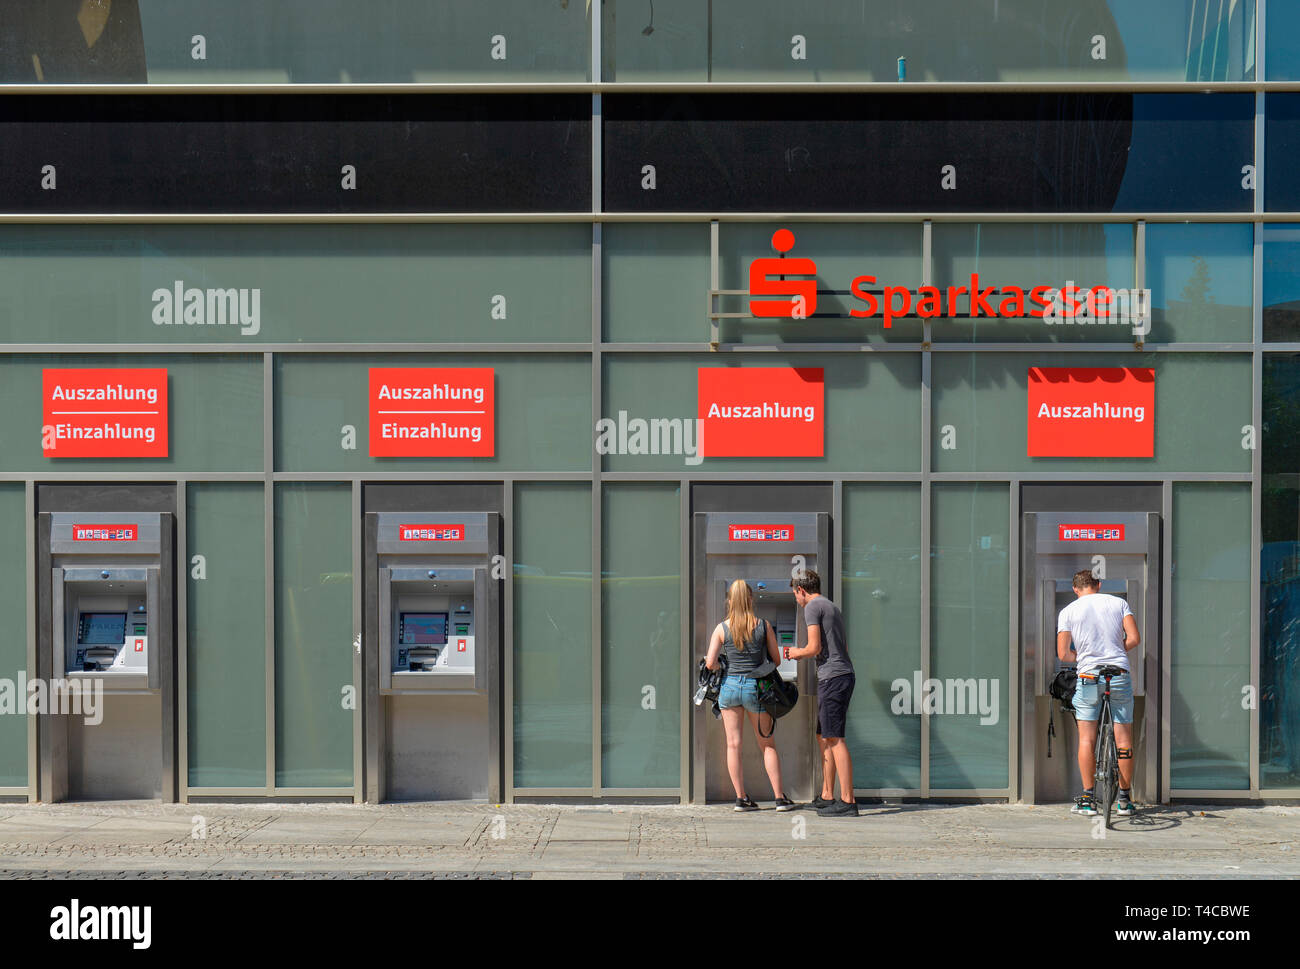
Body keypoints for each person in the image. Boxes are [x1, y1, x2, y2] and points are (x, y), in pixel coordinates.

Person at [704, 579, 794, 812]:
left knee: (733, 745)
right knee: (767, 744)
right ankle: (779, 798)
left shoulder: (721, 628)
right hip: (757, 688)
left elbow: (711, 662)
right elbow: (777, 660)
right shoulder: (763, 625)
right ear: (751, 599)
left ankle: (741, 799)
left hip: (730, 687)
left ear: (730, 601)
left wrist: (724, 664)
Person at [1056, 569, 1141, 818]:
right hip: (1118, 674)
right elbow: (1134, 638)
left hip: (1088, 676)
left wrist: (1083, 658)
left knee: (1086, 739)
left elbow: (1063, 654)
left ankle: (1087, 799)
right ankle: (1124, 801)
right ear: (1099, 585)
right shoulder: (1119, 603)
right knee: (1123, 738)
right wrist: (1115, 650)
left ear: (1075, 589)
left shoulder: (1068, 611)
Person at [785, 569, 857, 817]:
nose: (796, 599)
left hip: (833, 678)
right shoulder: (831, 606)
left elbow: (814, 647)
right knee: (823, 735)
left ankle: (848, 801)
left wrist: (795, 653)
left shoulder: (812, 607)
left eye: (795, 594)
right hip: (840, 674)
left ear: (801, 590)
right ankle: (827, 795)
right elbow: (843, 646)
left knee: (835, 738)